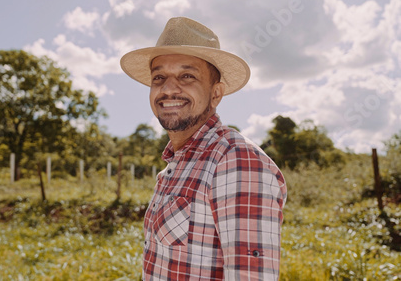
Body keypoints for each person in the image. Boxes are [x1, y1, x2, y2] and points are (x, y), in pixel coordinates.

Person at [120, 17, 287, 280]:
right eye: (159, 77)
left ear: (216, 93)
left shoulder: (235, 159)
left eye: (187, 76)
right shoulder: (173, 168)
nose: (168, 88)